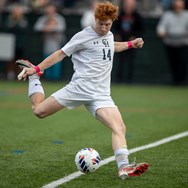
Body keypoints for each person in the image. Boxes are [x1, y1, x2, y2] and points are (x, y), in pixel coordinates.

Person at [15, 1, 148, 179]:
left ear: (112, 21)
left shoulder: (108, 34)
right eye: (101, 24)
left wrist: (131, 44)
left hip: (101, 94)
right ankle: (34, 79)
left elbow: (111, 45)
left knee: (119, 127)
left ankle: (124, 167)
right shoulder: (82, 36)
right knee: (38, 111)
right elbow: (60, 53)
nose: (104, 28)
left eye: (108, 24)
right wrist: (37, 69)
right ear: (95, 19)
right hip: (79, 88)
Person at [157, 0, 188, 85]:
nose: (177, 8)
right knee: (173, 64)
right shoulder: (167, 15)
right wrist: (162, 32)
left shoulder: (186, 15)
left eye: (179, 6)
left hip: (183, 44)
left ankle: (183, 82)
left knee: (182, 64)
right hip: (170, 44)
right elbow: (161, 29)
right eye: (176, 6)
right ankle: (175, 81)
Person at [34, 3, 66, 80]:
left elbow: (61, 28)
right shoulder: (43, 18)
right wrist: (46, 27)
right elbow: (37, 27)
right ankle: (47, 77)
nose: (50, 11)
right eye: (48, 9)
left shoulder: (59, 18)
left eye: (51, 9)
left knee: (57, 58)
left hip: (57, 41)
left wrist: (51, 28)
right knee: (46, 58)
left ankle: (55, 77)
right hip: (46, 41)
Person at [115, 0, 143, 83]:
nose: (128, 6)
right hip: (121, 42)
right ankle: (119, 79)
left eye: (130, 5)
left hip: (133, 43)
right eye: (127, 4)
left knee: (131, 62)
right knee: (120, 62)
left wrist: (134, 37)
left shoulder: (137, 16)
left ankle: (130, 80)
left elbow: (141, 30)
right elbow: (116, 27)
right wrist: (118, 35)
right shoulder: (120, 15)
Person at [5, 3, 28, 80]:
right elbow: (8, 28)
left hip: (20, 43)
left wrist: (19, 19)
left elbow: (24, 28)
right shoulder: (9, 19)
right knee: (10, 59)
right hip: (10, 42)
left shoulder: (23, 20)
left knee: (20, 60)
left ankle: (19, 75)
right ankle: (10, 75)